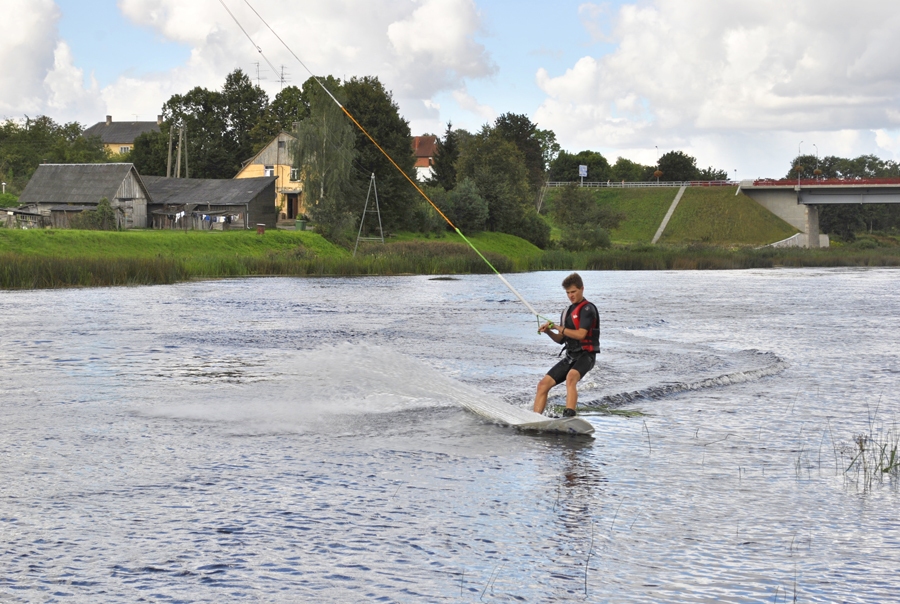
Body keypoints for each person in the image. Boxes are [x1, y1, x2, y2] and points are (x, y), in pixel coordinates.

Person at [533, 272, 599, 417]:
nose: (571, 296)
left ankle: (569, 415)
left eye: (574, 292)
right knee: (543, 384)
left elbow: (581, 334)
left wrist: (557, 327)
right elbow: (561, 339)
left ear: (582, 289)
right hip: (571, 356)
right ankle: (534, 417)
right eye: (568, 293)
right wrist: (549, 331)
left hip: (586, 355)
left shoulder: (588, 309)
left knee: (571, 377)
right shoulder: (566, 312)